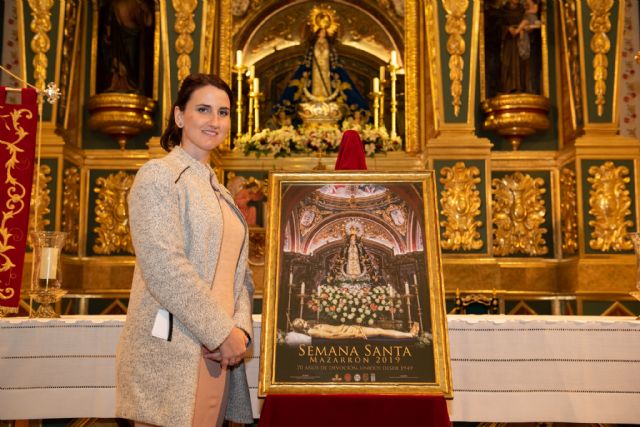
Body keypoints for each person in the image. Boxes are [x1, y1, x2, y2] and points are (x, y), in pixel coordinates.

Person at [115, 74, 254, 427]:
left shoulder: (219, 190)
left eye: (223, 112)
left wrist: (240, 331)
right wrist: (221, 333)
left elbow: (241, 278)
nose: (215, 121)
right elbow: (164, 268)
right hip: (176, 349)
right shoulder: (160, 176)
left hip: (217, 354)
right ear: (179, 117)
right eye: (203, 109)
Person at [291, 318, 419, 340]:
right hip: (350, 332)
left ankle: (409, 334)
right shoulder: (312, 331)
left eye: (303, 320)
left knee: (380, 330)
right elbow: (332, 336)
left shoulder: (312, 328)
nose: (305, 322)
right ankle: (410, 335)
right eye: (302, 323)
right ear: (301, 327)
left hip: (348, 328)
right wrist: (354, 336)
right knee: (380, 331)